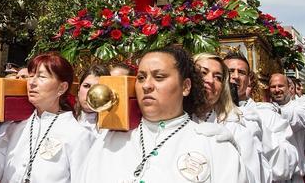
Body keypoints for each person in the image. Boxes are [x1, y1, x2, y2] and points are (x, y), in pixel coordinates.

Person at [78, 47, 247, 182]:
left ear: (186, 86)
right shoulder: (109, 140)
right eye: (141, 77)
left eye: (159, 77)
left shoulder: (214, 144)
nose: (147, 85)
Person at [0, 52, 95, 183]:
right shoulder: (17, 127)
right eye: (31, 75)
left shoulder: (78, 135)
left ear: (62, 88)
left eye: (41, 77)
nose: (31, 82)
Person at [224, 52, 299, 182]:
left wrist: (262, 133)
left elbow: (287, 165)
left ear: (248, 80)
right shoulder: (207, 114)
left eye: (241, 72)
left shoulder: (266, 115)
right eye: (230, 71)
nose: (235, 76)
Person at [192, 53, 266, 183]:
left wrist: (232, 151)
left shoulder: (236, 127)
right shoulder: (171, 118)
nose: (210, 80)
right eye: (203, 73)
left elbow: (253, 178)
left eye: (218, 77)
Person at [269, 73, 305, 183]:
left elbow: (296, 120)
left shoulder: (301, 107)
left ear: (290, 88)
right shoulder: (265, 108)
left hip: (295, 174)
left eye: (280, 86)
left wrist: (274, 111)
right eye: (273, 87)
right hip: (273, 175)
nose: (277, 90)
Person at [74, 64, 110, 135]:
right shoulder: (66, 119)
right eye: (86, 86)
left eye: (98, 87)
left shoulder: (112, 128)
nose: (91, 93)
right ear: (78, 90)